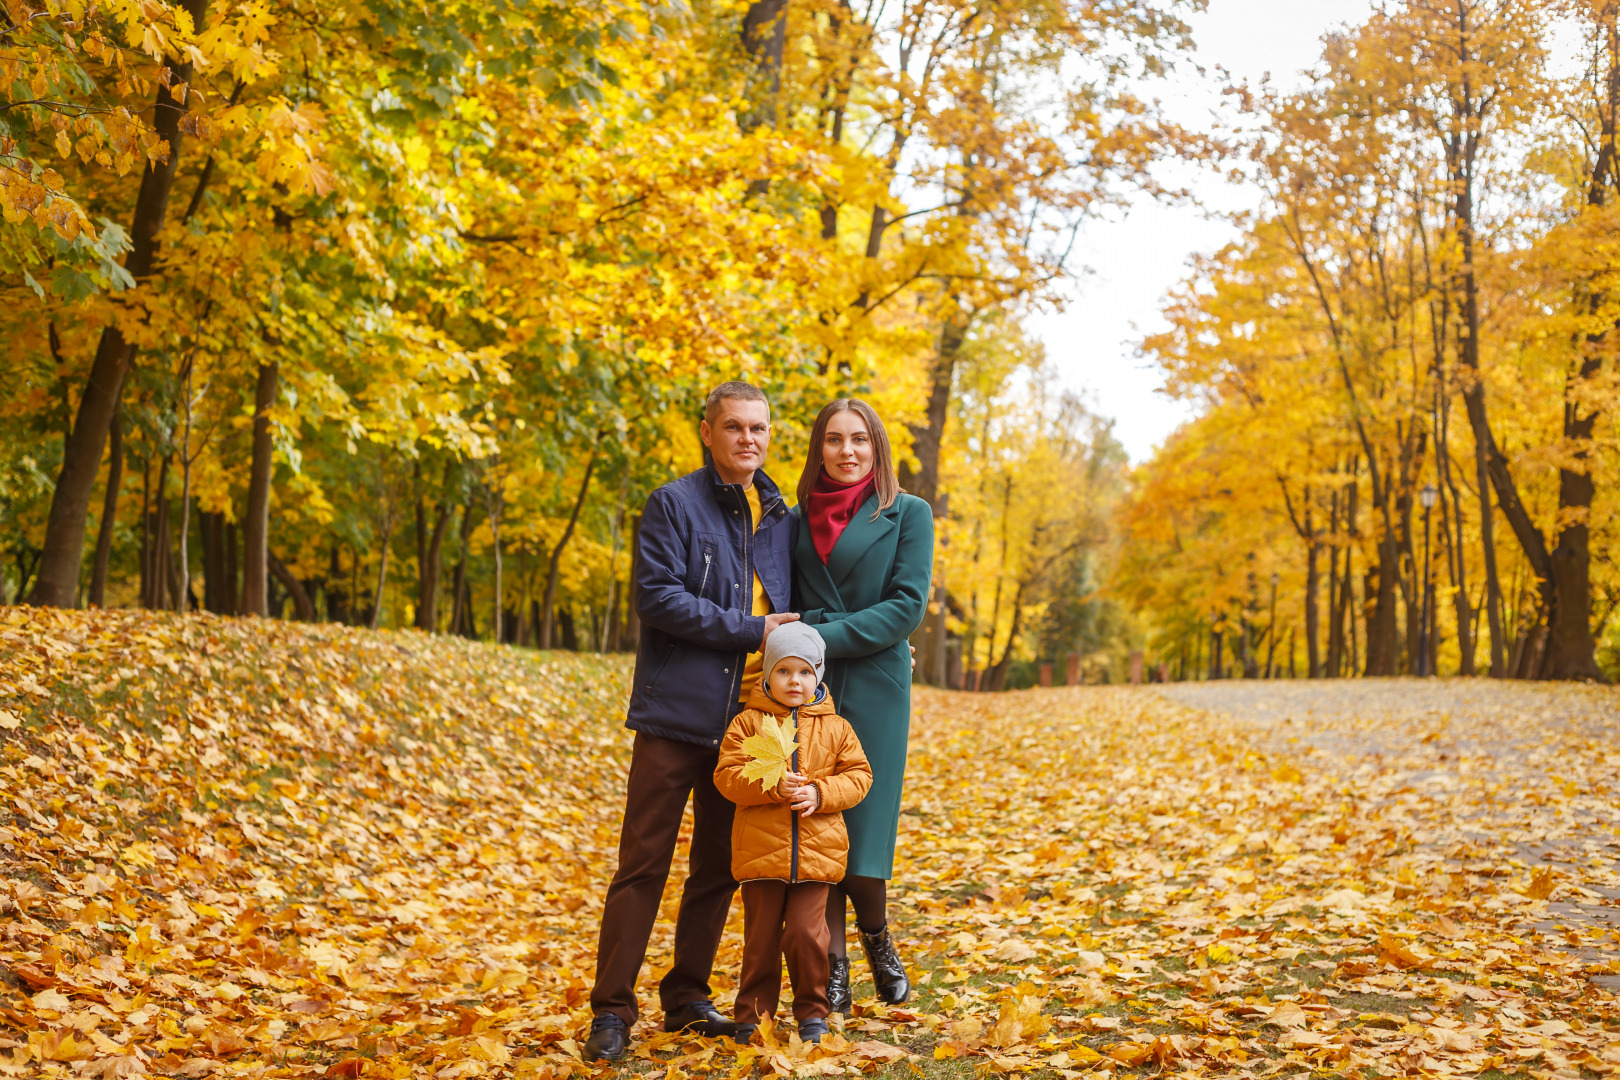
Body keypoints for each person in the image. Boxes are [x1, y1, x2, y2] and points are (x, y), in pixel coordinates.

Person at [584, 381, 802, 1062]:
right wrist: (749, 629)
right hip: (673, 717)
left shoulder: (779, 516)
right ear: (707, 432)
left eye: (759, 428)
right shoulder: (673, 504)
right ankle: (611, 1012)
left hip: (747, 727)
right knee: (642, 864)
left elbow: (801, 610)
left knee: (717, 866)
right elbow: (658, 599)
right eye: (734, 427)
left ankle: (686, 999)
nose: (748, 439)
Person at [792, 398, 933, 1011]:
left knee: (868, 825)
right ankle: (837, 963)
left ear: (877, 449)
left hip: (875, 682)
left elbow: (907, 606)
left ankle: (877, 937)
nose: (846, 452)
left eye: (859, 440)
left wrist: (819, 630)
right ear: (818, 448)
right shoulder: (792, 519)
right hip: (808, 688)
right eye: (833, 440)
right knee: (822, 823)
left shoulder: (908, 513)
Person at [713, 623, 872, 1045]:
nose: (794, 681)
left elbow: (859, 777)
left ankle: (812, 1013)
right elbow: (726, 776)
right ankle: (752, 1018)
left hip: (818, 852)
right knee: (760, 939)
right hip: (761, 852)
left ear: (817, 675)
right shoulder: (748, 723)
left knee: (806, 935)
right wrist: (769, 785)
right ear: (767, 675)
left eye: (804, 672)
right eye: (784, 671)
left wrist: (822, 792)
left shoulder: (837, 727)